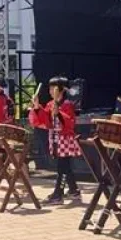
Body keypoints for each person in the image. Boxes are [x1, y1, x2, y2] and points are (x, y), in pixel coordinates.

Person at [29, 76, 81, 204]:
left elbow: (69, 123)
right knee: (65, 166)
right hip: (55, 138)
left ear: (62, 90)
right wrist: (36, 107)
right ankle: (74, 190)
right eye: (50, 88)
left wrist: (58, 113)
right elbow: (45, 120)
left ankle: (59, 193)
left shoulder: (67, 104)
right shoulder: (50, 104)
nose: (51, 90)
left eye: (54, 88)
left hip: (64, 138)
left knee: (62, 167)